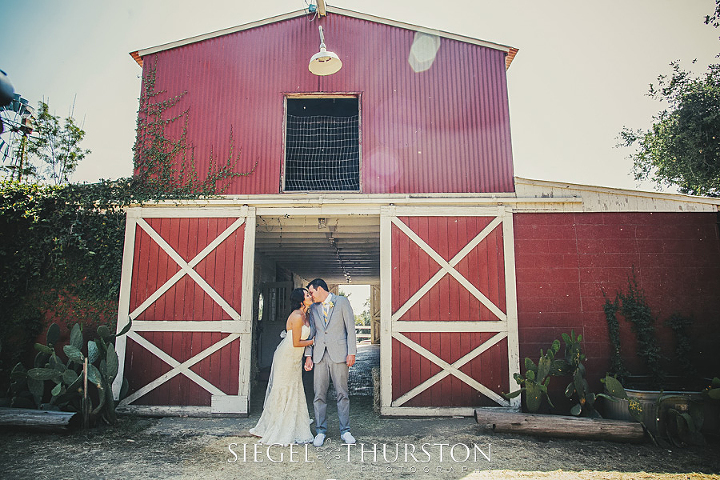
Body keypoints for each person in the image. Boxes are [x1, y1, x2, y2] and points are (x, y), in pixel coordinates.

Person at [249, 288, 315, 446]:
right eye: (307, 295)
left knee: (295, 388)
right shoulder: (298, 316)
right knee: (284, 388)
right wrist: (315, 341)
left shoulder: (306, 314)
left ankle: (294, 423)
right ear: (300, 300)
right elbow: (296, 342)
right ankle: (278, 425)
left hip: (295, 358)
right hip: (287, 356)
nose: (310, 296)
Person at [303, 278, 357, 446]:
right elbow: (311, 333)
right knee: (319, 394)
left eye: (311, 292)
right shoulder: (313, 308)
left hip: (340, 354)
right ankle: (320, 431)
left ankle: (345, 431)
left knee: (342, 393)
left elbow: (350, 328)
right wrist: (308, 356)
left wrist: (352, 353)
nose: (311, 296)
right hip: (319, 355)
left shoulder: (341, 302)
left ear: (320, 289)